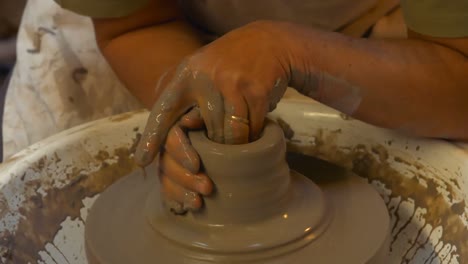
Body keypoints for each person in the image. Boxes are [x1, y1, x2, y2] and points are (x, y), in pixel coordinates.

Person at [19, 0, 468, 212]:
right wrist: (184, 105)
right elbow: (134, 26)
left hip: (392, 30)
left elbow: (458, 75)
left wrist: (297, 53)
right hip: (149, 20)